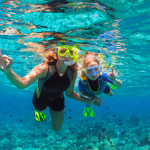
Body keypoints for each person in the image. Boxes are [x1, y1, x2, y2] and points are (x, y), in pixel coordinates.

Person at [0, 45, 102, 132]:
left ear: (75, 56)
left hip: (58, 100)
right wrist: (8, 72)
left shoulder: (73, 72)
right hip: (41, 99)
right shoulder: (44, 68)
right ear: (57, 53)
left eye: (71, 52)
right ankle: (37, 111)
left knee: (56, 129)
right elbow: (22, 84)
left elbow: (70, 93)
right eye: (63, 51)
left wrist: (90, 101)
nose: (67, 56)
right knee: (40, 111)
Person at [78, 52, 122, 117]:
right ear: (84, 71)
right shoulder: (82, 81)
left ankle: (110, 83)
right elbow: (82, 92)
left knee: (110, 95)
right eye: (89, 70)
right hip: (90, 92)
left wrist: (114, 80)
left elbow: (120, 85)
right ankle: (87, 108)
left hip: (103, 86)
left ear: (100, 69)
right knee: (89, 100)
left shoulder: (103, 76)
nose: (93, 74)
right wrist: (94, 97)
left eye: (96, 69)